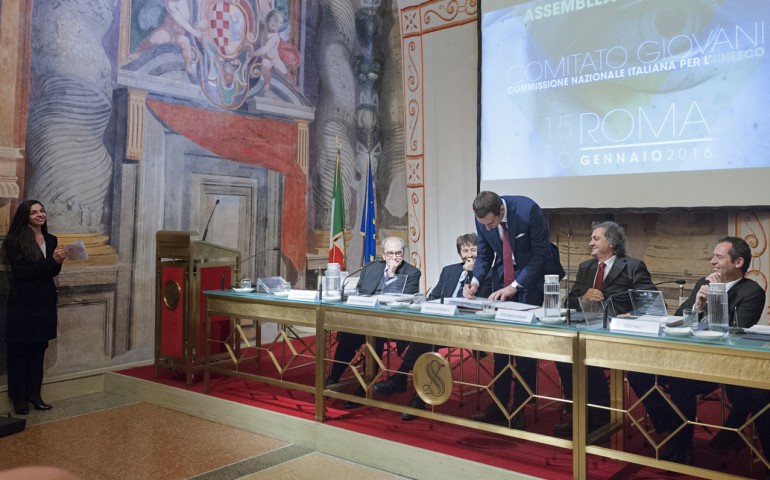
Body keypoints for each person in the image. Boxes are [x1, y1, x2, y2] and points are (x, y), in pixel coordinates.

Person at [649, 237, 767, 465]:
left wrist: (716, 296)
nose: (712, 262)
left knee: (755, 393)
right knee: (674, 379)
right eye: (712, 256)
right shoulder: (703, 282)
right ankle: (680, 444)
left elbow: (735, 332)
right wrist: (697, 307)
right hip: (696, 359)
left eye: (719, 257)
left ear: (739, 262)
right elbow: (680, 320)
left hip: (732, 365)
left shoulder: (752, 292)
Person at [463, 191, 560, 428]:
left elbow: (541, 254)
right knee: (501, 346)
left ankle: (520, 407)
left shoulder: (528, 211)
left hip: (530, 279)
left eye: (492, 223)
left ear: (502, 211)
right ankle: (498, 403)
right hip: (502, 280)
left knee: (523, 348)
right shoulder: (482, 217)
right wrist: (475, 282)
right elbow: (485, 254)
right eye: (484, 224)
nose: (488, 227)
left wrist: (516, 286)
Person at [371, 233, 492, 421]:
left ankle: (403, 380)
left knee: (427, 339)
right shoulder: (449, 270)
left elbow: (479, 300)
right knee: (427, 337)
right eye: (465, 250)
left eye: (474, 250)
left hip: (467, 327)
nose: (470, 254)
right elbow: (434, 296)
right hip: (440, 323)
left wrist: (469, 273)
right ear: (459, 253)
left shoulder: (488, 273)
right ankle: (416, 396)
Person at [553, 221, 656, 437]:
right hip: (587, 331)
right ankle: (580, 415)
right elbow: (570, 302)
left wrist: (632, 315)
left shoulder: (633, 266)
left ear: (611, 242)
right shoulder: (586, 268)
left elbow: (650, 302)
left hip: (618, 334)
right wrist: (583, 297)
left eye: (596, 239)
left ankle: (600, 419)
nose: (590, 243)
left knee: (586, 360)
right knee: (563, 354)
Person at [326, 236, 421, 408]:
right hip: (365, 319)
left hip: (392, 323)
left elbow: (404, 302)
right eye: (390, 253)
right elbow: (359, 293)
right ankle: (334, 377)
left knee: (374, 338)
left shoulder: (412, 273)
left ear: (403, 254)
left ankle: (364, 388)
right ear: (384, 255)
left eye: (398, 253)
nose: (394, 257)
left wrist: (392, 275)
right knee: (348, 335)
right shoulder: (371, 268)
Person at [3, 200, 70, 415]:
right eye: (34, 212)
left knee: (38, 351)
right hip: (23, 302)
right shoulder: (14, 241)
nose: (40, 214)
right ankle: (19, 398)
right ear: (25, 216)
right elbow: (23, 274)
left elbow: (51, 273)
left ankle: (35, 395)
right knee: (19, 350)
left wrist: (57, 262)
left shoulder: (51, 239)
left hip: (44, 301)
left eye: (42, 211)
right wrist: (53, 260)